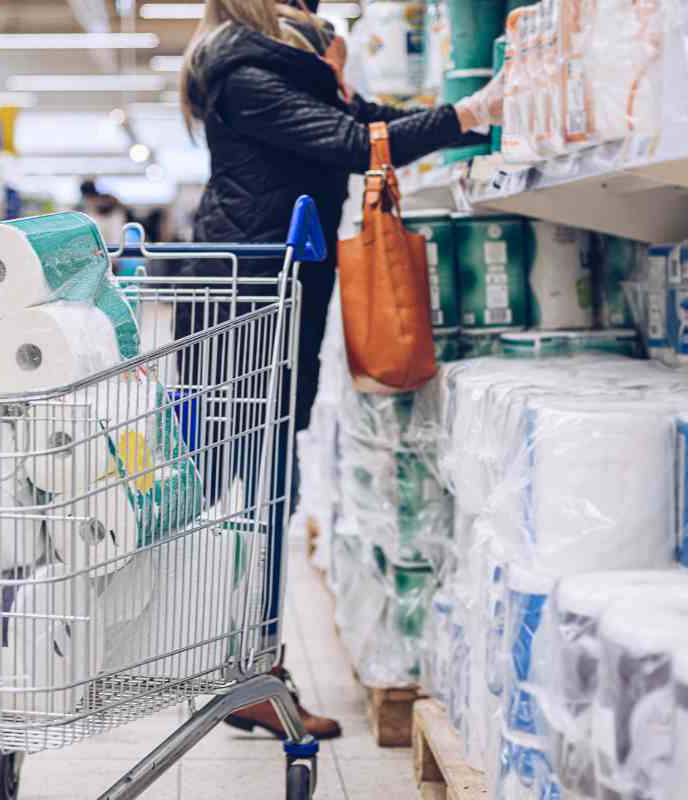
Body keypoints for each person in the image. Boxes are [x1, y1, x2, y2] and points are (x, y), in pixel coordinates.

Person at [175, 0, 503, 740]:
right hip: (245, 305)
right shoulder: (246, 72)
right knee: (248, 491)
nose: (314, 11)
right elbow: (356, 144)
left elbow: (367, 120)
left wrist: (469, 117)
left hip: (272, 295)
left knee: (263, 490)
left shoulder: (277, 67)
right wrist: (467, 111)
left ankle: (248, 667)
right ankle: (236, 666)